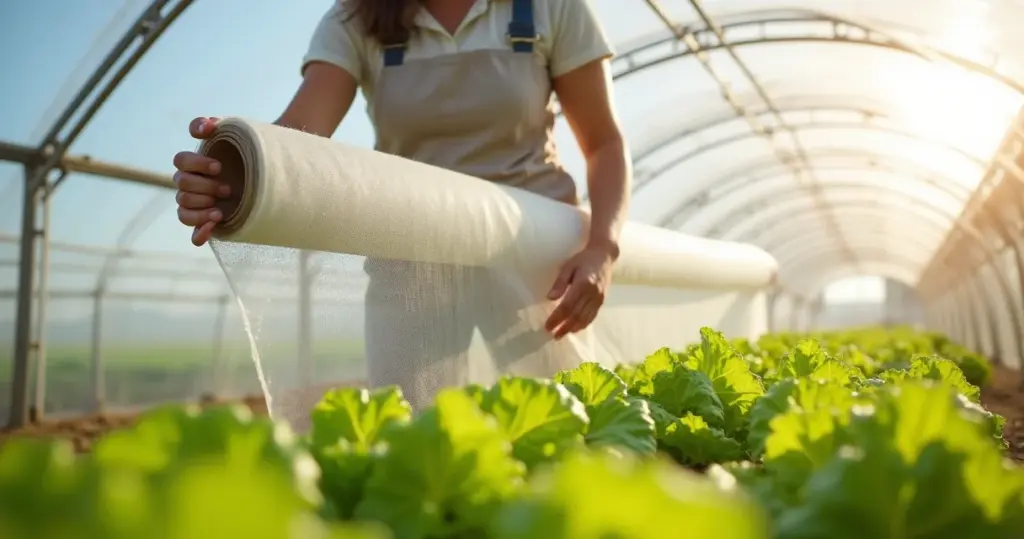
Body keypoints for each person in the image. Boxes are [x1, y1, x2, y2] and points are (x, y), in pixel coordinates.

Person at [172, 0, 631, 407]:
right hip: (412, 248)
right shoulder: (356, 18)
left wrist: (602, 249)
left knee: (561, 418)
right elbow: (300, 136)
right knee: (411, 428)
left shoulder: (553, 7)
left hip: (532, 252)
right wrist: (235, 172)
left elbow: (605, 143)